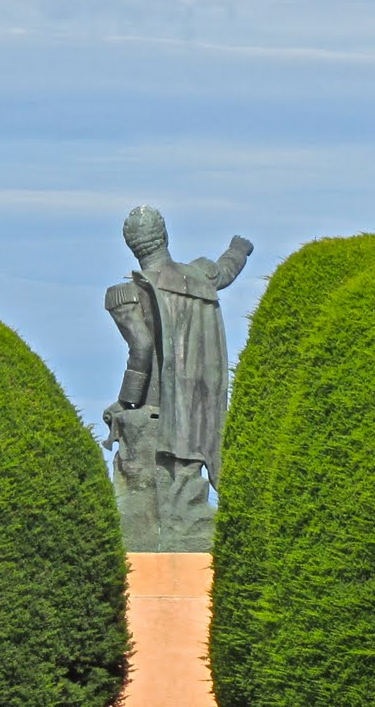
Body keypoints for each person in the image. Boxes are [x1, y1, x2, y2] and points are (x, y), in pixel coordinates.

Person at [104, 205, 252, 550]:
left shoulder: (126, 293)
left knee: (150, 499)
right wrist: (238, 249)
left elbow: (141, 347)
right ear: (165, 237)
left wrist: (125, 402)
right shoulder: (198, 277)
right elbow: (225, 271)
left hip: (154, 407)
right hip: (195, 412)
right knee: (185, 487)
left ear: (132, 246)